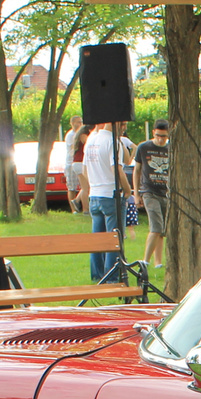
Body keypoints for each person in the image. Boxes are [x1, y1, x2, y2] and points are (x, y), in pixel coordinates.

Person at [85, 121, 122, 281]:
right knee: (112, 239)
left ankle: (97, 274)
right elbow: (117, 169)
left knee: (97, 239)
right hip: (109, 192)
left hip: (94, 193)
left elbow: (85, 168)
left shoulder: (91, 139)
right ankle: (111, 276)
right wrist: (127, 189)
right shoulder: (112, 141)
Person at [131, 119, 171, 269]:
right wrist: (136, 194)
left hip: (166, 193)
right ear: (153, 132)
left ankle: (158, 262)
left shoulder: (170, 148)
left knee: (162, 230)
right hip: (149, 191)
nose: (161, 139)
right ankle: (145, 261)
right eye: (159, 135)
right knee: (156, 227)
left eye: (164, 136)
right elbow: (137, 171)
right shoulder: (144, 147)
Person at [63, 114, 85, 213]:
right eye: (78, 122)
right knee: (72, 187)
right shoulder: (71, 135)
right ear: (72, 123)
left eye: (81, 122)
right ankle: (73, 210)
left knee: (84, 186)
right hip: (71, 163)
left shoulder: (80, 133)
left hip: (79, 162)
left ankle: (82, 206)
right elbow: (74, 148)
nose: (80, 124)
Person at [69, 125, 90, 213]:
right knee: (86, 188)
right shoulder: (84, 136)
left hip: (78, 163)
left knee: (86, 186)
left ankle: (77, 200)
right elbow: (88, 144)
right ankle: (85, 209)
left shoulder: (79, 136)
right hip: (80, 163)